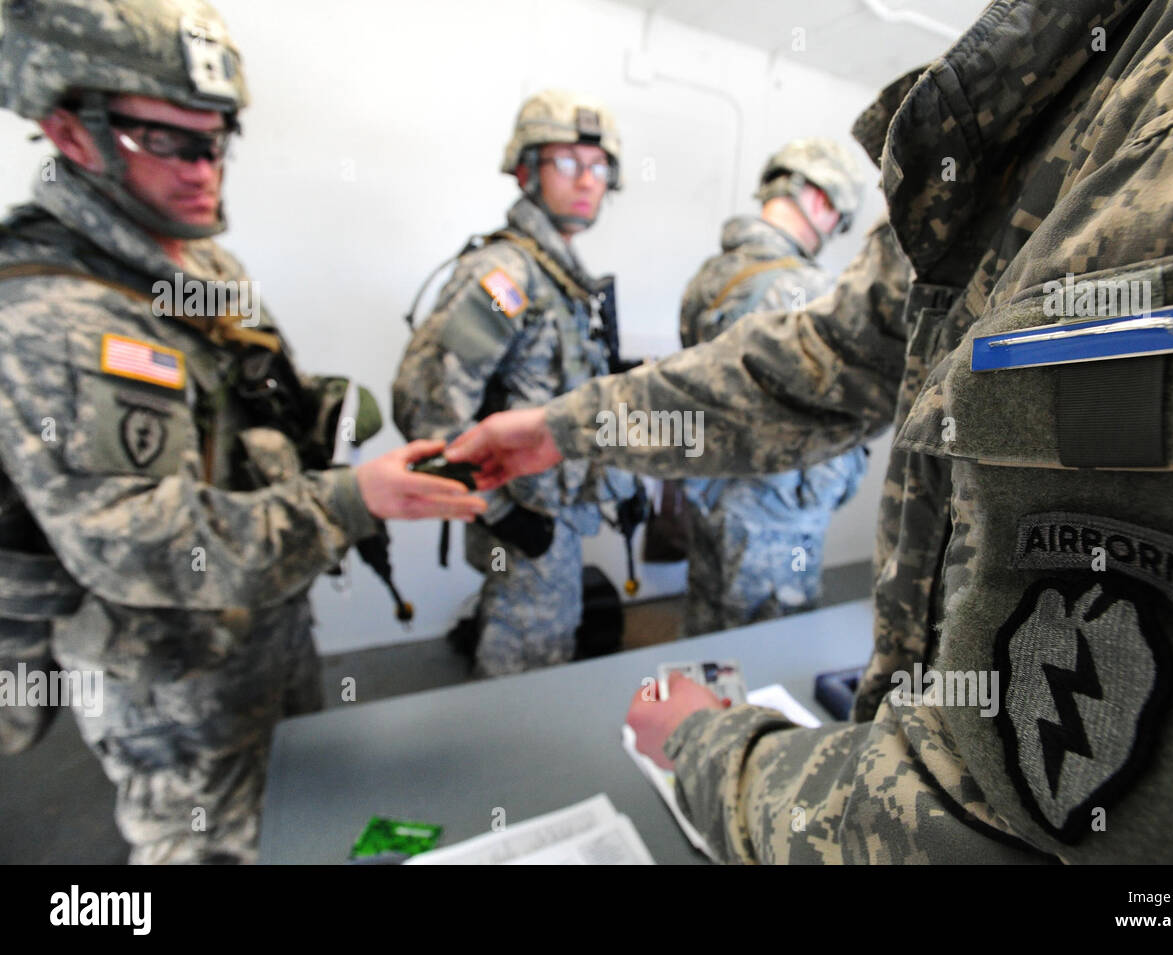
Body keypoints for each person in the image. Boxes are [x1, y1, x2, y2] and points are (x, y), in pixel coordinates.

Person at [447, 0, 1173, 863]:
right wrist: (566, 427)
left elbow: (1010, 828)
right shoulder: (1052, 109)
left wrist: (711, 749)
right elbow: (815, 359)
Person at [0, 0, 484, 863]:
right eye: (169, 142)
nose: (203, 170)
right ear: (71, 135)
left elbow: (265, 405)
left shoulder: (203, 264)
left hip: (268, 623)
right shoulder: (51, 316)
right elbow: (145, 544)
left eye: (218, 138)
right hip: (173, 684)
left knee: (303, 817)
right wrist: (349, 500)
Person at [393, 89, 644, 677]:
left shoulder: (559, 276)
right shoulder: (506, 275)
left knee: (540, 640)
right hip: (523, 517)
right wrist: (501, 514)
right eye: (566, 163)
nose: (586, 180)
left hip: (554, 511)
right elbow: (431, 403)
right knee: (525, 659)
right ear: (527, 171)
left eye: (598, 166)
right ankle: (502, 761)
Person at [678, 138, 870, 636]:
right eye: (837, 219)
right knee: (773, 652)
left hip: (710, 494)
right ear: (822, 200)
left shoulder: (709, 277)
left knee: (709, 633)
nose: (831, 231)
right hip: (779, 514)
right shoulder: (812, 289)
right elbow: (847, 413)